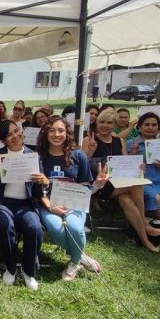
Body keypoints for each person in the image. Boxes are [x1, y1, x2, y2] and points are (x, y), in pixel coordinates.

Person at [81, 109, 160, 252]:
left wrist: (136, 164)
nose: (104, 125)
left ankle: (145, 240)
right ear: (97, 123)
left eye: (109, 123)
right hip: (99, 185)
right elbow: (81, 166)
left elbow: (124, 164)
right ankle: (145, 223)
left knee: (126, 200)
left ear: (115, 125)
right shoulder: (89, 139)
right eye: (101, 122)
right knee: (137, 184)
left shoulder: (120, 141)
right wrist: (91, 151)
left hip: (119, 183)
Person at [0, 120, 47, 291]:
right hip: (0, 203)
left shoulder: (33, 156)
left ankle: (28, 270)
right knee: (5, 225)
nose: (14, 136)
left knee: (34, 227)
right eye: (9, 135)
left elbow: (37, 190)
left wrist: (43, 182)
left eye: (16, 131)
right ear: (3, 140)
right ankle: (10, 267)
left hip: (24, 204)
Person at [36, 117, 102, 281]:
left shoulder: (78, 156)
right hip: (48, 204)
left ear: (67, 133)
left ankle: (74, 262)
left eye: (61, 130)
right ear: (45, 133)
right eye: (52, 130)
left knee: (74, 228)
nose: (56, 134)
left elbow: (85, 187)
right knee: (56, 228)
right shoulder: (39, 158)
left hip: (75, 204)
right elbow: (35, 191)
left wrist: (98, 185)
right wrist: (51, 206)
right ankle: (81, 257)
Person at [127, 113, 160, 234]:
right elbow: (123, 166)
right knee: (158, 200)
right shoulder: (131, 144)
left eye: (154, 125)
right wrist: (133, 156)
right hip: (144, 181)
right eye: (147, 125)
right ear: (139, 127)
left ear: (158, 127)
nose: (150, 127)